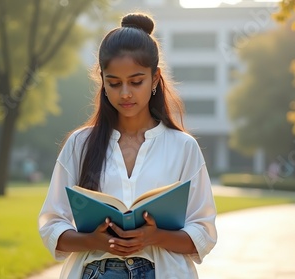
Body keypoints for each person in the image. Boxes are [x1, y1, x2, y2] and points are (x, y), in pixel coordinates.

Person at [38, 13, 217, 279]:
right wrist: (93, 241)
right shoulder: (80, 144)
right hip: (94, 271)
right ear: (102, 81)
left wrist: (155, 236)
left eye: (136, 82)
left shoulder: (183, 147)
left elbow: (203, 233)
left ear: (155, 79)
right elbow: (52, 225)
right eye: (114, 83)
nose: (125, 93)